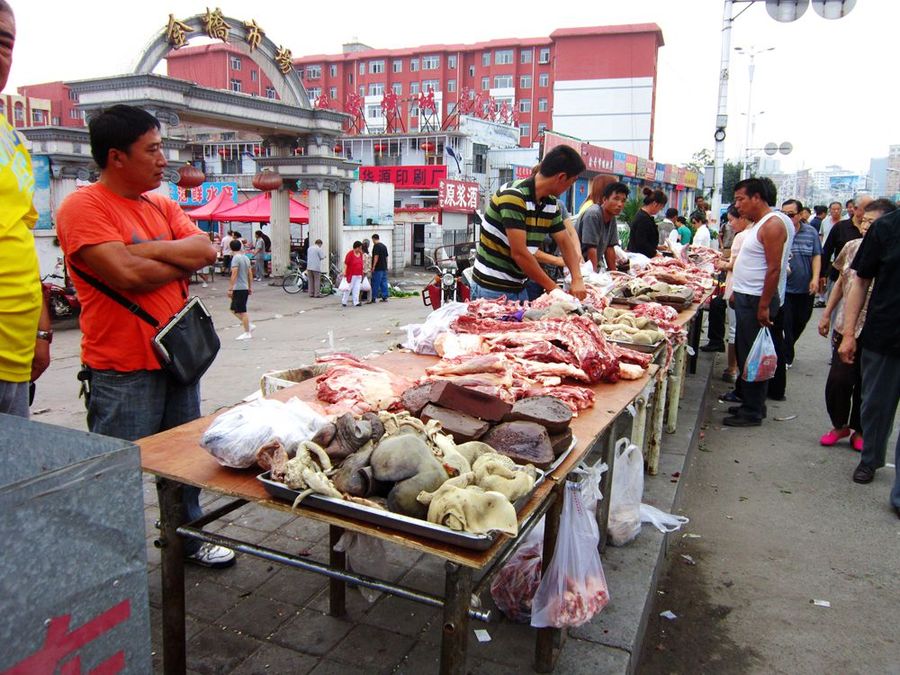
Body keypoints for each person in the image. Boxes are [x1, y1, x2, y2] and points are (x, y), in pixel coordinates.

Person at [56, 104, 233, 568]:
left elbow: (203, 250)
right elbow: (126, 274)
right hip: (120, 370)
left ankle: (189, 540)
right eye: (152, 149)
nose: (163, 160)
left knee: (184, 462)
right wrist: (161, 258)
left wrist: (143, 249)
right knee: (115, 471)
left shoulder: (162, 203)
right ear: (117, 156)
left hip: (178, 359)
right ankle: (108, 563)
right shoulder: (83, 206)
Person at [0, 0, 51, 417]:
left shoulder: (12, 137)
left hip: (15, 353)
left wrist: (42, 332)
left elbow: (23, 236)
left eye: (5, 43)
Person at [837, 206, 900, 518]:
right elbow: (859, 282)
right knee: (875, 405)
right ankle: (870, 458)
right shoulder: (886, 228)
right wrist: (849, 333)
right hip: (884, 335)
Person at [819, 199, 896, 452]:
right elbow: (842, 282)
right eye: (864, 221)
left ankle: (860, 431)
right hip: (847, 325)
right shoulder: (852, 247)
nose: (866, 227)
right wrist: (827, 314)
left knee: (867, 385)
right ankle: (839, 424)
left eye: (872, 223)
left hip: (876, 329)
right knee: (839, 380)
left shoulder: (890, 247)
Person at [471, 145, 586, 301]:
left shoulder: (550, 203)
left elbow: (565, 242)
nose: (569, 187)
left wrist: (577, 278)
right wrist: (553, 288)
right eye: (571, 182)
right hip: (492, 289)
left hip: (519, 286)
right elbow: (520, 253)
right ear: (561, 177)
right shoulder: (513, 196)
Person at [722, 177, 793, 427]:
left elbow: (774, 269)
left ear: (757, 198)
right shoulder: (758, 225)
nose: (737, 205)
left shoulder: (772, 225)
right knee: (744, 351)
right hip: (746, 296)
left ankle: (753, 410)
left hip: (757, 300)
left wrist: (764, 305)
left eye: (741, 199)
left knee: (754, 354)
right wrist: (735, 292)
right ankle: (748, 403)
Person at [781, 198, 821, 367]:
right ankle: (787, 356)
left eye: (791, 215)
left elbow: (816, 256)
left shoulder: (810, 232)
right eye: (784, 214)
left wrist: (815, 278)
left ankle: (789, 346)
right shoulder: (780, 232)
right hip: (785, 288)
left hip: (805, 288)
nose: (787, 218)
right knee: (787, 324)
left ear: (800, 215)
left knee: (801, 320)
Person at [714, 206, 751, 381]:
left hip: (738, 288)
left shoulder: (742, 236)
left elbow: (735, 265)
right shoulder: (753, 233)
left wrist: (721, 264)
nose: (730, 224)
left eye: (732, 220)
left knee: (735, 331)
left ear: (742, 217)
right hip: (746, 289)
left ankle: (732, 369)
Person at [578, 180, 629, 273]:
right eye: (616, 199)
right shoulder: (593, 214)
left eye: (623, 201)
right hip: (578, 266)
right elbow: (591, 249)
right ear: (604, 199)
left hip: (591, 266)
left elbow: (609, 248)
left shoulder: (612, 217)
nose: (620, 204)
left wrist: (614, 274)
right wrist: (593, 277)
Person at [628, 188, 666, 259]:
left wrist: (657, 247)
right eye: (661, 207)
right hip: (640, 258)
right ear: (655, 204)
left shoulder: (645, 216)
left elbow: (646, 239)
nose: (659, 210)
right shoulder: (643, 218)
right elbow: (641, 242)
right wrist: (655, 253)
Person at [228, 239, 253, 340]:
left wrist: (230, 288)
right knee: (234, 309)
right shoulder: (246, 258)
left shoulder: (235, 258)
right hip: (244, 287)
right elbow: (250, 274)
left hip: (238, 287)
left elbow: (234, 273)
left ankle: (247, 332)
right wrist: (250, 286)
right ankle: (248, 325)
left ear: (231, 248)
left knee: (242, 310)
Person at [342, 240, 364, 307]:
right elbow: (346, 263)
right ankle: (344, 301)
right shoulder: (350, 254)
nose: (360, 249)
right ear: (356, 247)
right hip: (351, 274)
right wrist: (344, 272)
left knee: (357, 288)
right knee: (349, 288)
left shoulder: (360, 254)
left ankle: (356, 302)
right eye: (360, 248)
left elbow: (361, 262)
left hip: (359, 274)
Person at [370, 233, 389, 302]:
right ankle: (385, 296)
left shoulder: (376, 246)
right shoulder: (384, 246)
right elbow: (386, 257)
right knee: (384, 282)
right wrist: (386, 265)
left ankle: (373, 297)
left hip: (378, 268)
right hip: (384, 267)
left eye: (372, 240)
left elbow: (376, 256)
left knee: (376, 282)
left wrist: (373, 266)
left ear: (374, 239)